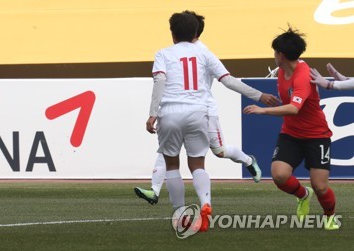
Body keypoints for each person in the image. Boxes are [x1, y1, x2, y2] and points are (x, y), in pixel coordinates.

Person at [145, 11, 278, 232]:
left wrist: (152, 113)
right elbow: (229, 81)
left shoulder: (163, 54)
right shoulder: (205, 54)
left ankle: (181, 215)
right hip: (199, 112)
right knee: (197, 164)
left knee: (171, 164)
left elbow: (159, 80)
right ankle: (206, 203)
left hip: (170, 112)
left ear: (172, 34)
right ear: (196, 32)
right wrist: (259, 95)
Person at [243, 27, 339, 230]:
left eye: (275, 52)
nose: (274, 55)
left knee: (320, 186)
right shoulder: (282, 71)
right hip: (291, 134)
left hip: (316, 135)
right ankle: (303, 195)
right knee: (279, 175)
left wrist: (262, 111)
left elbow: (294, 108)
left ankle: (329, 215)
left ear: (281, 55)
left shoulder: (302, 75)